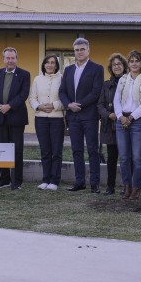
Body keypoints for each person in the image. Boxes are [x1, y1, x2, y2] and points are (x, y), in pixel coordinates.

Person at [59, 38, 104, 192]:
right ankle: (80, 182)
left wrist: (79, 104)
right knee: (76, 150)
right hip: (73, 117)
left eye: (82, 49)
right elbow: (62, 91)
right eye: (77, 50)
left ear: (88, 50)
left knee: (92, 150)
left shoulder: (97, 68)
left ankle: (94, 184)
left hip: (89, 116)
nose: (79, 52)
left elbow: (96, 92)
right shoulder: (68, 70)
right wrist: (68, 105)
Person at [0, 46, 30, 190]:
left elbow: (23, 94)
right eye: (8, 58)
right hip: (1, 117)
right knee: (3, 150)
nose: (10, 60)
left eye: (13, 58)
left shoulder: (24, 74)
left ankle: (16, 181)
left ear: (16, 59)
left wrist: (9, 106)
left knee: (17, 150)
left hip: (16, 117)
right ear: (3, 59)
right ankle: (4, 179)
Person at [114, 50, 141, 201]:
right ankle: (127, 186)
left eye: (137, 61)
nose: (134, 64)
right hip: (121, 120)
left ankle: (136, 188)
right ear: (128, 64)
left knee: (137, 157)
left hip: (138, 121)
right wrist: (120, 116)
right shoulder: (123, 79)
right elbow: (116, 100)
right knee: (124, 157)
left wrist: (130, 117)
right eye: (131, 61)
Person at [29, 54, 65, 190]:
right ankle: (45, 180)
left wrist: (54, 105)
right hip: (41, 119)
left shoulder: (62, 78)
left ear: (56, 65)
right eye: (47, 62)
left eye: (52, 62)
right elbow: (32, 98)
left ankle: (54, 181)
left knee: (56, 151)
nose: (50, 65)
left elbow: (66, 97)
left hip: (57, 119)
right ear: (43, 65)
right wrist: (39, 106)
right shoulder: (37, 79)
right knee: (45, 150)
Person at [98, 53, 127, 195]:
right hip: (110, 126)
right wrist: (109, 115)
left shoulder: (129, 82)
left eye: (119, 64)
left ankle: (127, 186)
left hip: (125, 125)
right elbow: (100, 105)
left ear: (124, 66)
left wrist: (122, 116)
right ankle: (110, 187)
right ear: (111, 68)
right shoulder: (106, 85)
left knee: (126, 158)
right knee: (111, 158)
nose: (116, 67)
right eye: (114, 65)